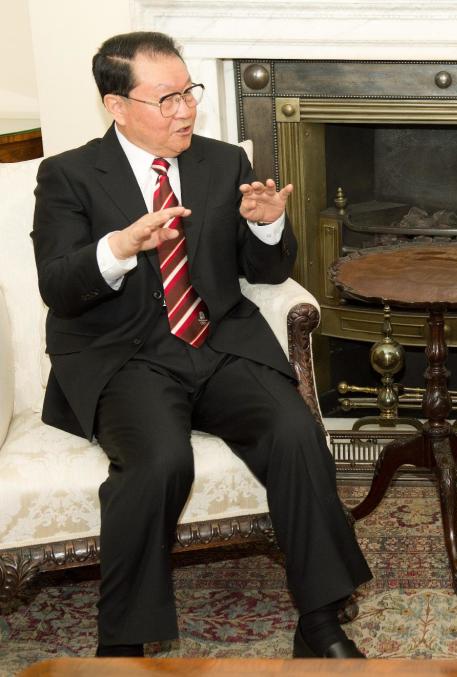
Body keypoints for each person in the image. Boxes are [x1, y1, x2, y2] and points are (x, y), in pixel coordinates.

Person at [31, 31, 372, 658]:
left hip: (218, 342)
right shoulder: (70, 175)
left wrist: (268, 229)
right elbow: (57, 284)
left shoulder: (222, 163)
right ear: (116, 105)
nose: (186, 109)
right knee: (161, 461)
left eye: (188, 91)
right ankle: (123, 650)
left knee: (296, 434)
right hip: (123, 353)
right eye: (166, 98)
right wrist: (119, 248)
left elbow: (264, 274)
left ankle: (320, 624)